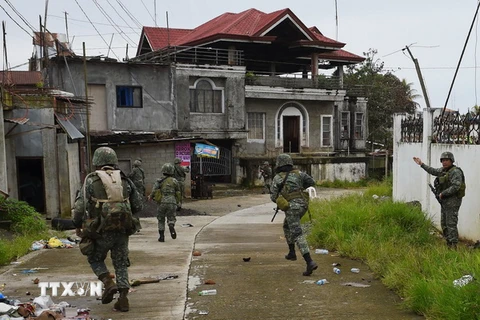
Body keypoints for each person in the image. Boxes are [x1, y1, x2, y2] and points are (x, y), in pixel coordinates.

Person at [73, 147, 143, 312]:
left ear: (96, 161)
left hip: (100, 231)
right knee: (120, 263)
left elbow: (79, 207)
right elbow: (138, 205)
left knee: (95, 258)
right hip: (123, 230)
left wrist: (77, 225)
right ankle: (123, 298)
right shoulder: (125, 180)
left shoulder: (91, 180)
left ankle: (108, 282)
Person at [270, 154, 317, 276]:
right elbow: (312, 182)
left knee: (297, 233)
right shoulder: (299, 174)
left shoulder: (277, 178)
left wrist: (282, 199)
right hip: (303, 205)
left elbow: (273, 196)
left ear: (279, 164)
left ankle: (309, 262)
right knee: (286, 226)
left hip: (292, 208)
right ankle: (291, 252)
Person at [413, 151, 466, 249]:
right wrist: (421, 164)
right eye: (443, 160)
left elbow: (456, 186)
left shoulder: (455, 172)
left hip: (453, 201)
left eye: (446, 160)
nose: (444, 162)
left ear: (451, 161)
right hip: (445, 201)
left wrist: (443, 193)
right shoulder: (443, 170)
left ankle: (453, 246)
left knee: (451, 224)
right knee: (444, 223)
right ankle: (448, 243)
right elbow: (433, 171)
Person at [148, 163, 181, 242]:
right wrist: (177, 201)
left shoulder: (159, 181)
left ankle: (161, 237)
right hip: (172, 202)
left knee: (161, 219)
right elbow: (178, 192)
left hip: (161, 202)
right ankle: (171, 225)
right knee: (171, 217)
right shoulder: (175, 181)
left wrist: (150, 197)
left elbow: (154, 190)